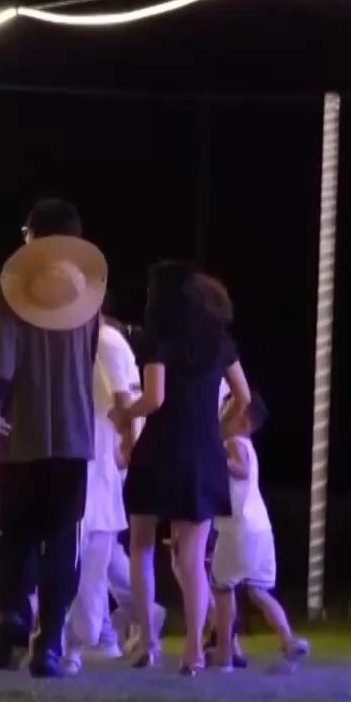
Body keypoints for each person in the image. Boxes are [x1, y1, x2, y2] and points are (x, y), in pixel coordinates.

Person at [0, 199, 108, 677]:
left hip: (21, 436)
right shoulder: (87, 295)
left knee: (15, 535)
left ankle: (13, 613)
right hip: (73, 436)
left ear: (34, 236)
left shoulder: (10, 290)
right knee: (62, 538)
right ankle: (49, 641)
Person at [113, 261, 251, 675]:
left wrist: (124, 413)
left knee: (141, 545)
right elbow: (243, 397)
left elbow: (154, 397)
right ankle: (193, 650)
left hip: (159, 448)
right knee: (192, 557)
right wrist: (218, 429)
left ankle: (147, 643)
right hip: (202, 453)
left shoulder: (157, 337)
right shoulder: (219, 339)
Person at [62, 315, 159, 671]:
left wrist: (127, 447)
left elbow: (125, 401)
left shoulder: (106, 342)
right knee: (81, 558)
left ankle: (84, 639)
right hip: (80, 467)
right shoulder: (76, 342)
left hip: (97, 469)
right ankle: (78, 639)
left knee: (91, 559)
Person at [210, 385, 309, 674]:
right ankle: (288, 640)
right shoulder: (248, 446)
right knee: (259, 590)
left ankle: (225, 656)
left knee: (221, 588)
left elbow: (239, 470)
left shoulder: (233, 443)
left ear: (242, 420)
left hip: (238, 528)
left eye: (228, 408)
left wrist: (217, 458)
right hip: (261, 529)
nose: (222, 412)